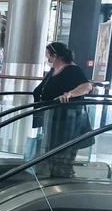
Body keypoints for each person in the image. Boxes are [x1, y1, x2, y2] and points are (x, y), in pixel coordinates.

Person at [32, 42, 93, 178]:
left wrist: (70, 94)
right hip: (53, 120)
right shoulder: (53, 71)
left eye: (48, 56)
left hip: (68, 122)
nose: (47, 59)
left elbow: (87, 86)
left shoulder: (72, 70)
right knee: (52, 154)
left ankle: (63, 183)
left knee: (63, 156)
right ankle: (54, 181)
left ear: (56, 56)